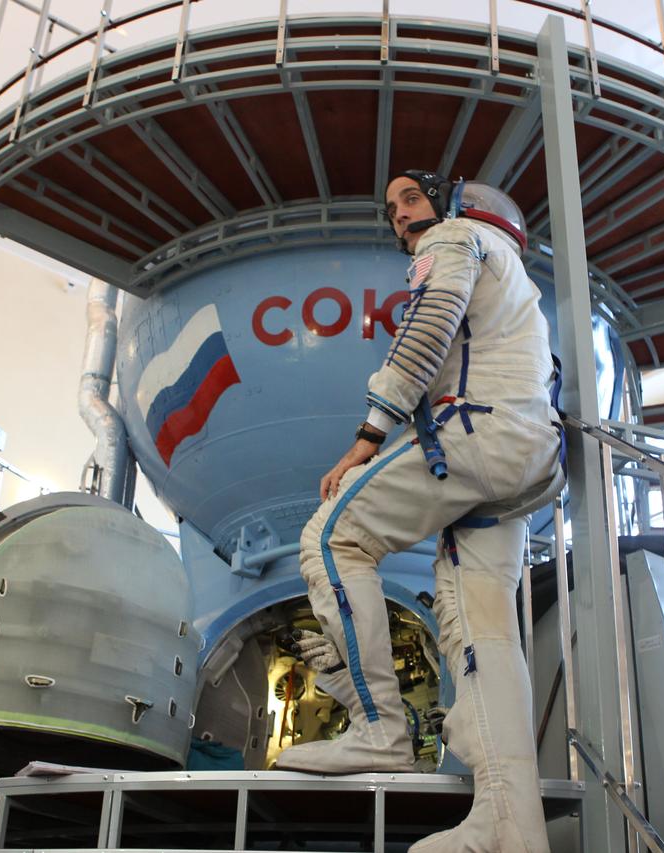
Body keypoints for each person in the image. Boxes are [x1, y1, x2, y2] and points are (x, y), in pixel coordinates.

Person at [275, 170, 564, 853]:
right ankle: (508, 827)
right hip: (527, 457)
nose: (402, 217)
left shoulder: (456, 239)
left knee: (332, 537)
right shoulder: (517, 280)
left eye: (412, 199)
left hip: (478, 432)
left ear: (447, 202)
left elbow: (430, 324)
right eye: (392, 209)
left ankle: (377, 726)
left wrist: (369, 435)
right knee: (480, 625)